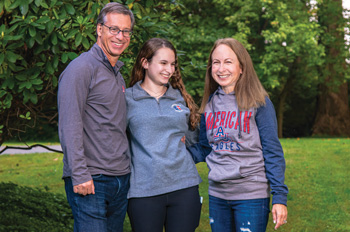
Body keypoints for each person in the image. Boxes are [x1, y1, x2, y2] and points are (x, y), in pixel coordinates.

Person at [188, 38, 288, 232]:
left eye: (228, 62)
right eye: (216, 62)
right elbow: (205, 148)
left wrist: (279, 197)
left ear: (241, 67)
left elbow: (272, 151)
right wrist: (172, 151)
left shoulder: (259, 103)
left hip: (252, 195)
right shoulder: (209, 105)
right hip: (218, 195)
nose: (221, 68)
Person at [57, 3, 134, 232]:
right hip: (91, 180)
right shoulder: (81, 69)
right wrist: (80, 174)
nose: (120, 36)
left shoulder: (117, 74)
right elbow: (69, 125)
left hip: (120, 178)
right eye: (114, 29)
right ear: (99, 29)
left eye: (126, 31)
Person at [125, 38, 202, 232]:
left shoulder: (180, 98)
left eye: (173, 64)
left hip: (184, 187)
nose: (169, 70)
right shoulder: (127, 99)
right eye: (163, 63)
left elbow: (196, 140)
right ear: (145, 63)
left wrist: (190, 157)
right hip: (143, 191)